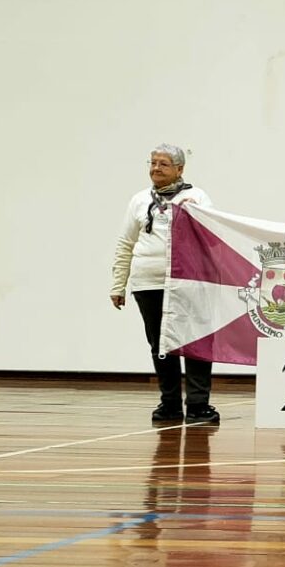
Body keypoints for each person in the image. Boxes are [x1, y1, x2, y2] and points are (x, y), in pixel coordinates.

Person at [109, 144, 217, 425]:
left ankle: (198, 404)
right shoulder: (139, 200)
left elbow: (212, 236)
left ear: (179, 169)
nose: (156, 168)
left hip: (189, 282)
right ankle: (169, 403)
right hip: (149, 282)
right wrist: (118, 284)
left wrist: (197, 215)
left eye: (163, 164)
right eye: (153, 163)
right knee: (160, 344)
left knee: (195, 341)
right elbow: (125, 243)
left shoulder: (197, 196)